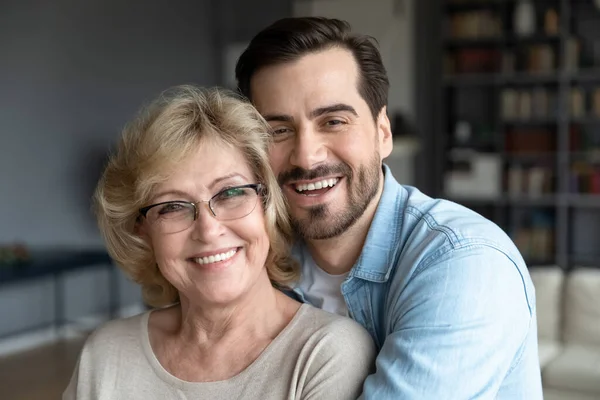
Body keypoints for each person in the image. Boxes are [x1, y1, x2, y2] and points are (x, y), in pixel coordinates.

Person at [235, 17, 543, 399]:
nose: (307, 156)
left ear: (383, 133)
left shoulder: (463, 262)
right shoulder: (257, 257)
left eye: (333, 121)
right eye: (278, 130)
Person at [63, 86, 375, 400]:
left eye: (230, 194)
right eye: (172, 206)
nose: (208, 230)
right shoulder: (105, 355)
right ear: (142, 230)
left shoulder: (326, 353)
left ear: (267, 203)